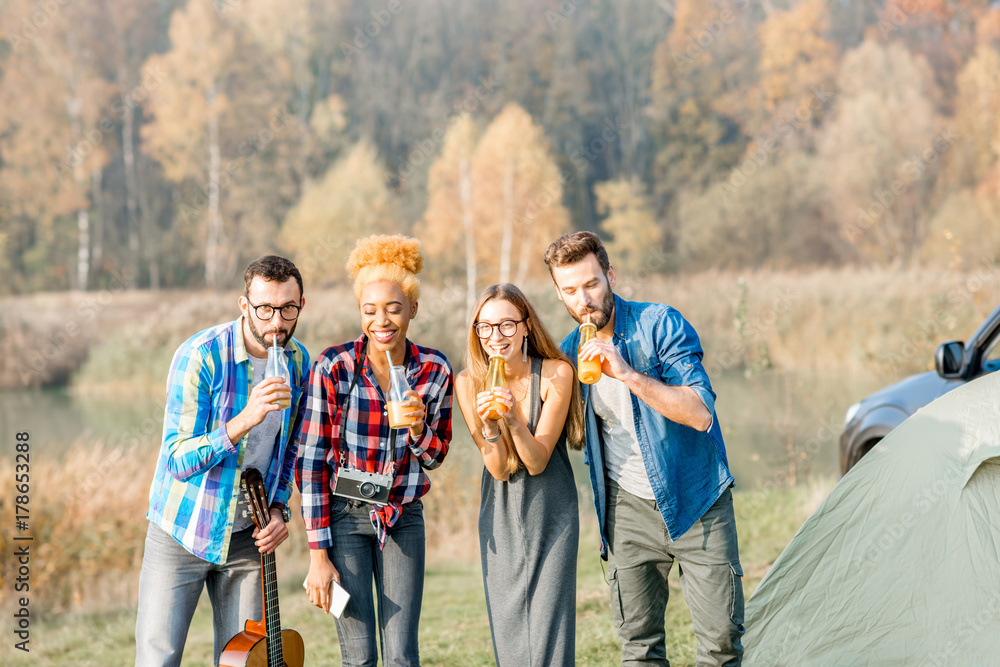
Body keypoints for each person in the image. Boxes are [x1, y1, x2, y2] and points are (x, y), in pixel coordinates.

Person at [544, 231, 744, 667]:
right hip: (626, 511)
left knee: (720, 644)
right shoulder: (567, 355)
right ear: (559, 294)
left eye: (592, 284)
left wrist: (628, 374)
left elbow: (701, 413)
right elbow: (556, 439)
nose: (585, 300)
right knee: (639, 650)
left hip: (698, 498)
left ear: (611, 276)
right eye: (571, 290)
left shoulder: (661, 323)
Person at [135, 255, 310, 667]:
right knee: (157, 660)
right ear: (244, 304)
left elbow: (291, 453)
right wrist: (244, 420)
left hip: (249, 538)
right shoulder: (200, 356)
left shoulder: (299, 361)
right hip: (182, 530)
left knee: (242, 662)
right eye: (265, 308)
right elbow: (177, 459)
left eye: (288, 308)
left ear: (302, 305)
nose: (276, 323)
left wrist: (281, 508)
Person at [297, 234, 452, 666]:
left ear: (413, 310)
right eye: (370, 310)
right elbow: (310, 463)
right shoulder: (334, 366)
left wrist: (419, 427)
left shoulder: (434, 369)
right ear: (359, 312)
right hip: (344, 520)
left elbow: (436, 457)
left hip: (403, 518)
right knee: (359, 656)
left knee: (402, 655)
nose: (381, 321)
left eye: (393, 308)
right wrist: (317, 556)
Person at [454, 283, 583, 667]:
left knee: (550, 628)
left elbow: (537, 460)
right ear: (476, 332)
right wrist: (490, 425)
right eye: (486, 327)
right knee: (508, 625)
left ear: (527, 326)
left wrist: (512, 417)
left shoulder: (558, 373)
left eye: (507, 325)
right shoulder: (467, 383)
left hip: (552, 509)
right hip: (501, 512)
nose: (496, 337)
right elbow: (498, 467)